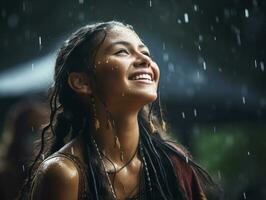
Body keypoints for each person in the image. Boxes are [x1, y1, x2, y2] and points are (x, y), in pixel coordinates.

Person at [19, 21, 215, 200]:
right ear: (82, 82)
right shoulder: (65, 174)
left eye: (146, 53)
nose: (144, 60)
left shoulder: (173, 163)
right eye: (122, 52)